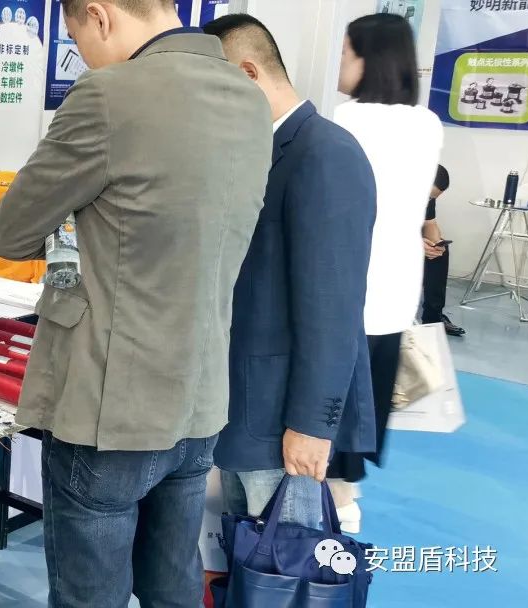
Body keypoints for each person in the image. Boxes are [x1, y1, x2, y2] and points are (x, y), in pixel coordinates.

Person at [0, 1, 271, 606]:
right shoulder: (249, 99)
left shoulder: (107, 95)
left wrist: (77, 220)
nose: (83, 57)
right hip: (199, 398)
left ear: (99, 16)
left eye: (76, 39)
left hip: (110, 406)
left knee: (90, 595)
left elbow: (10, 233)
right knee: (172, 587)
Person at [202, 15, 377, 530]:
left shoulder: (324, 153)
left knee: (285, 559)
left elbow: (334, 308)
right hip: (246, 409)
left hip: (284, 422)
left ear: (247, 74)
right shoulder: (264, 151)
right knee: (246, 551)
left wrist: (311, 425)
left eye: (213, 90)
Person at [326, 12, 444, 534]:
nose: (338, 64)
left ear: (368, 59)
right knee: (369, 394)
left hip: (349, 280)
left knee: (330, 395)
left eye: (345, 53)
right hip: (399, 284)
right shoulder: (427, 123)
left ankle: (334, 498)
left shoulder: (346, 119)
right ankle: (347, 493)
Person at [422, 165, 465, 336]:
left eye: (432, 198)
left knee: (439, 254)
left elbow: (430, 223)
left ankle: (433, 318)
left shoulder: (427, 197)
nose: (428, 200)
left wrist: (436, 244)